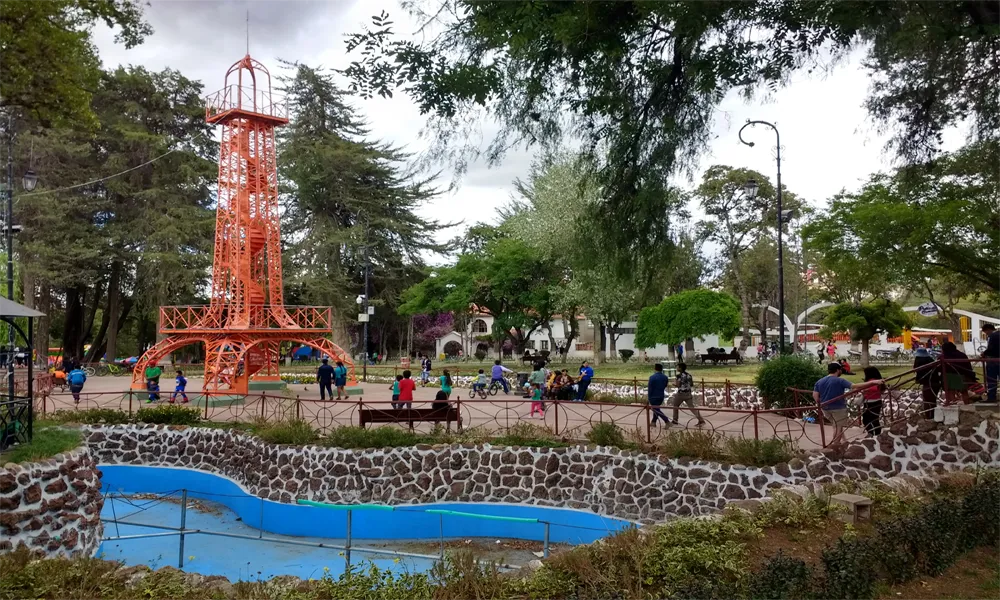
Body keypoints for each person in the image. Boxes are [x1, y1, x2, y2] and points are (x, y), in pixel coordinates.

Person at [812, 362, 882, 442]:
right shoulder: (840, 381)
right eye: (841, 369)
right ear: (838, 370)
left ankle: (844, 441)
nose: (842, 371)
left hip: (825, 408)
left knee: (836, 425)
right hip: (838, 408)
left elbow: (815, 395)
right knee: (837, 427)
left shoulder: (820, 381)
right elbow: (855, 386)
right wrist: (873, 382)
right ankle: (835, 445)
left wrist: (820, 403)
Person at [941, 341, 976, 405]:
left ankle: (953, 404)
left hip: (949, 378)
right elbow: (968, 367)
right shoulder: (962, 355)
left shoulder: (944, 356)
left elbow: (939, 367)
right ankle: (967, 405)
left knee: (950, 390)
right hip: (962, 377)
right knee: (964, 392)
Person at [671, 362, 705, 426]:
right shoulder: (689, 375)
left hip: (681, 394)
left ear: (680, 368)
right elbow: (691, 384)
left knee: (675, 406)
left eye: (677, 367)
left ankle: (675, 420)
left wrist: (674, 384)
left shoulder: (679, 376)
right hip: (688, 393)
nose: (677, 368)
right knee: (692, 408)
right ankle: (701, 420)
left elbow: (678, 385)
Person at [913, 347, 942, 417]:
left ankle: (929, 416)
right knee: (932, 401)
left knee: (927, 401)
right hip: (936, 382)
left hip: (927, 383)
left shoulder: (918, 361)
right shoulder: (931, 360)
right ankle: (933, 415)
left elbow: (915, 370)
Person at [861, 366, 886, 436]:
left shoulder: (873, 381)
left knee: (869, 420)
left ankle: (873, 434)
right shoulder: (876, 380)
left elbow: (873, 388)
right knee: (872, 419)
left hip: (872, 403)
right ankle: (873, 433)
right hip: (873, 402)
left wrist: (864, 389)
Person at [981, 323, 1000, 403]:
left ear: (988, 330)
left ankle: (991, 397)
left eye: (986, 332)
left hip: (993, 360)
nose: (986, 334)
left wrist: (984, 353)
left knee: (991, 379)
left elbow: (991, 348)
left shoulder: (992, 336)